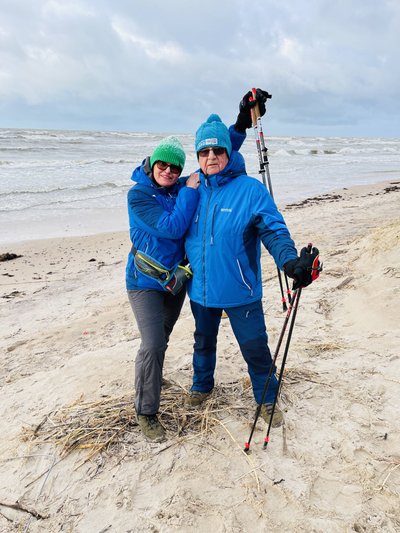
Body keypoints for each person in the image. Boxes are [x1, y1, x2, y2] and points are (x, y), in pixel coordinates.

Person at [183, 108, 320, 427]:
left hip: (241, 291)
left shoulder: (250, 190)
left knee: (256, 347)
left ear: (228, 153)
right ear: (198, 155)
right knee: (203, 341)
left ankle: (267, 398)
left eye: (218, 149)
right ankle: (202, 386)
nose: (212, 156)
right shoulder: (189, 190)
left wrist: (290, 261)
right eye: (204, 151)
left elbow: (273, 231)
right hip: (201, 290)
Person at [126, 136, 200, 442]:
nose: (168, 171)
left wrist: (238, 125)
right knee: (153, 343)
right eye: (163, 164)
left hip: (175, 281)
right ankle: (146, 412)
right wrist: (190, 192)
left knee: (162, 338)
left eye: (175, 167)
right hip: (144, 282)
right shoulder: (138, 196)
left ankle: (151, 376)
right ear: (152, 163)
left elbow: (214, 161)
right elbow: (172, 227)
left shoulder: (176, 188)